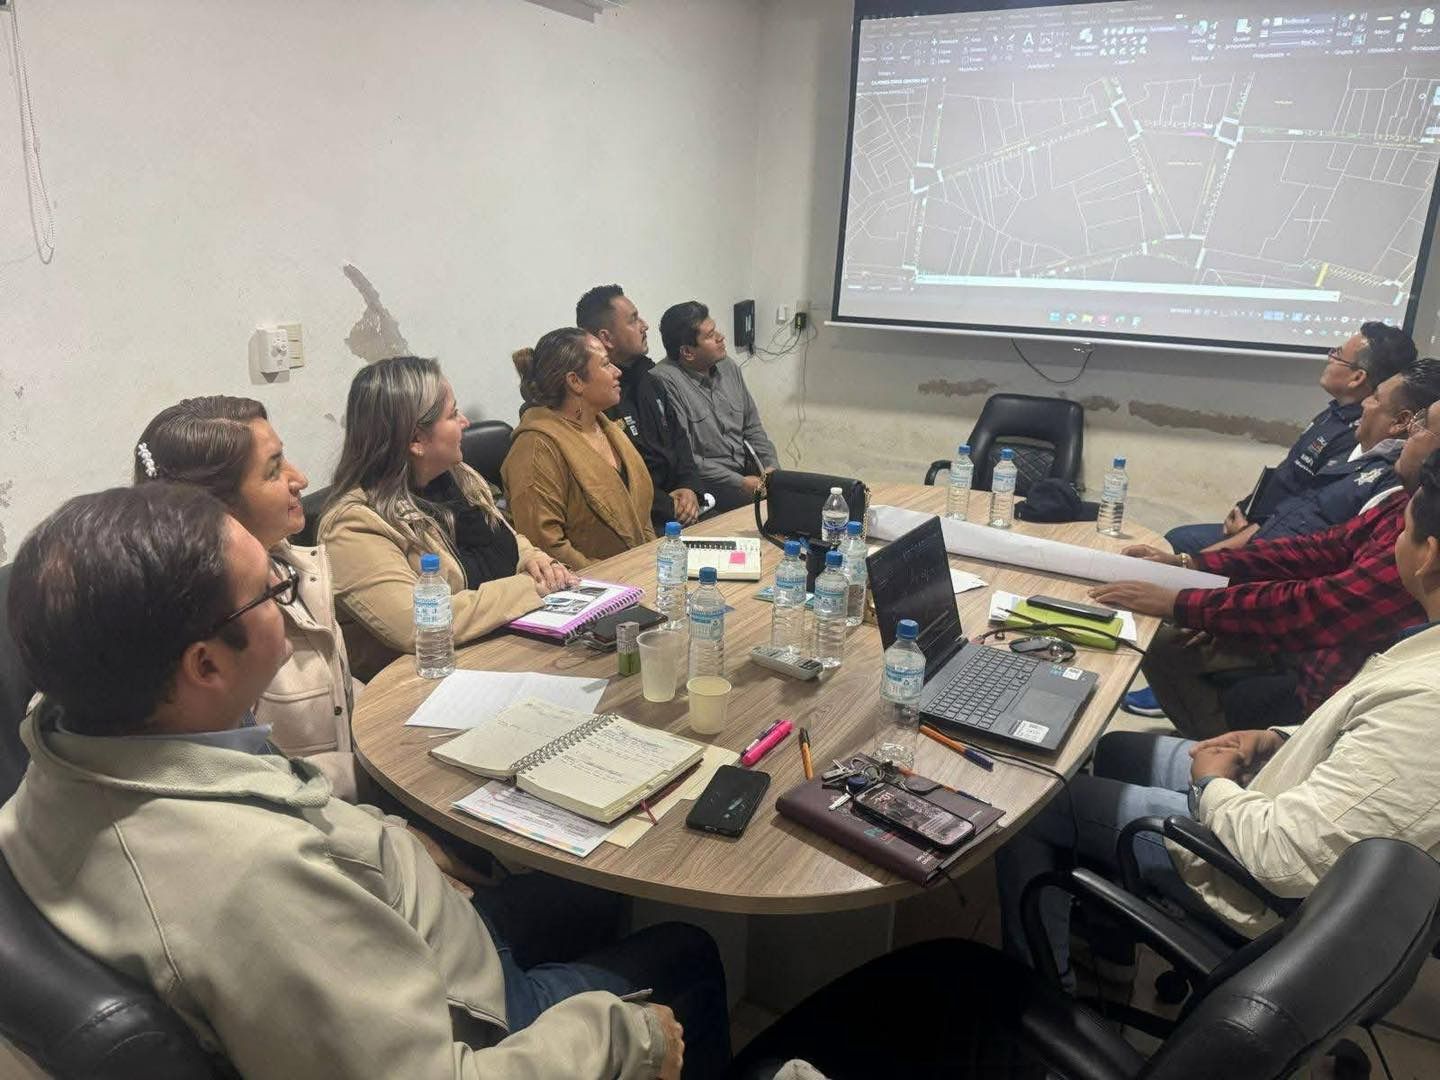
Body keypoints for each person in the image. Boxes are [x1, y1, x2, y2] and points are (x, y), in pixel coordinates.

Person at [0, 483, 728, 1079]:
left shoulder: (66, 747)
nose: (288, 600)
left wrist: (392, 839)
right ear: (206, 665)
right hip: (460, 1012)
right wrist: (626, 1038)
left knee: (593, 887)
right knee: (687, 950)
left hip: (411, 937)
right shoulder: (253, 884)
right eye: (272, 592)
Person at [998, 446, 1440, 983]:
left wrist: (1212, 788)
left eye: (1405, 532)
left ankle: (1042, 993)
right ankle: (1111, 945)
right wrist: (1279, 738)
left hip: (1265, 882)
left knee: (1032, 807)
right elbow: (1364, 731)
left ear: (1428, 556)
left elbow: (1282, 858)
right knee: (1114, 750)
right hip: (1291, 782)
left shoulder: (1426, 704)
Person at [1093, 399, 1440, 738]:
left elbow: (1315, 605)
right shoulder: (1406, 501)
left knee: (1163, 647)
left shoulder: (1424, 534)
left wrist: (1181, 603)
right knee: (1169, 637)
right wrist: (1191, 564)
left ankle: (1235, 757)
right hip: (1308, 647)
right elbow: (1318, 549)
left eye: (1422, 425)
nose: (1409, 431)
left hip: (1328, 693)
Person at [132, 396, 361, 798]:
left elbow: (337, 685)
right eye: (274, 470)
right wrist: (372, 775)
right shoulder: (211, 628)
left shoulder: (291, 564)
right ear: (215, 507)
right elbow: (239, 777)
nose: (301, 478)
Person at [319, 356, 577, 681]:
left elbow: (504, 538)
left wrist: (532, 559)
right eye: (453, 414)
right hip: (429, 685)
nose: (465, 422)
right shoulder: (353, 525)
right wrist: (529, 587)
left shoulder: (457, 476)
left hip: (506, 655)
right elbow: (418, 624)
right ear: (416, 440)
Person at [1163, 322, 1417, 556]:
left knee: (1177, 541)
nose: (1329, 358)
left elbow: (1306, 512)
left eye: (1337, 354)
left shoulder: (1357, 439)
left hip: (1271, 541)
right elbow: (1288, 476)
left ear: (1357, 377)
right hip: (1256, 525)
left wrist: (1247, 536)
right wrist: (1244, 508)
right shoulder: (1333, 414)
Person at [1204, 358, 1440, 550]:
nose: (1364, 403)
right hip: (1255, 544)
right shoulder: (1357, 450)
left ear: (1401, 421)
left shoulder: (1390, 486)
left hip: (1267, 574)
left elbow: (1326, 565)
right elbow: (1290, 513)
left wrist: (1214, 562)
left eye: (1375, 398)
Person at [502, 327, 656, 569]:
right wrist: (614, 578)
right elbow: (545, 546)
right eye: (605, 364)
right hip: (592, 584)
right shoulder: (535, 448)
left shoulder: (608, 428)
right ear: (575, 381)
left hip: (641, 569)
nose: (617, 372)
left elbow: (641, 513)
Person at [577, 284, 703, 531]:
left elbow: (679, 441)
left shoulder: (650, 378)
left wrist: (689, 488)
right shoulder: (595, 398)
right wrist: (668, 506)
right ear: (606, 338)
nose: (645, 325)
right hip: (643, 520)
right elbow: (617, 478)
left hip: (683, 508)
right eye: (633, 320)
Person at [650, 301, 779, 513]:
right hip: (708, 485)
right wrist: (740, 483)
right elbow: (686, 456)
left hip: (747, 474)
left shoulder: (728, 367)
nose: (721, 337)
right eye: (710, 336)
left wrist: (770, 467)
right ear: (687, 352)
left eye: (715, 330)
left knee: (796, 500)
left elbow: (753, 428)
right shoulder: (662, 381)